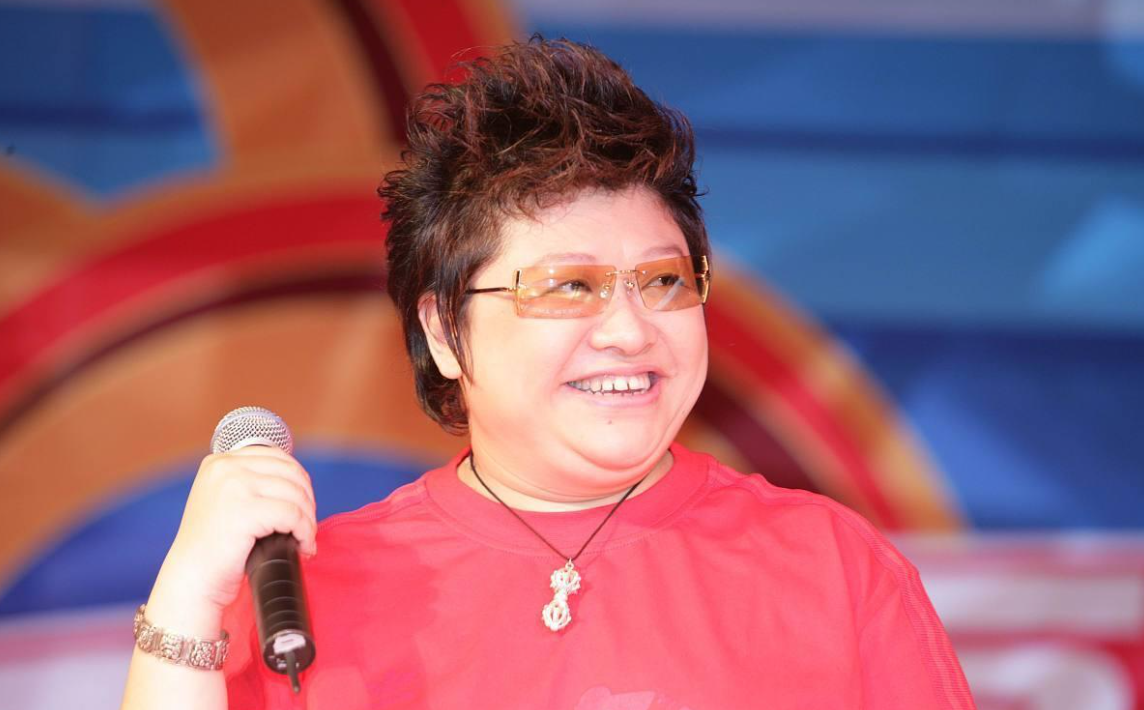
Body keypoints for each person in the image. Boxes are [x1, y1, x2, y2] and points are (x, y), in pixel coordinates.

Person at [121, 37, 976, 710]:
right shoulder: (306, 600)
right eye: (570, 287)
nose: (630, 330)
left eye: (664, 282)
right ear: (444, 330)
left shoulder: (829, 567)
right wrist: (185, 603)